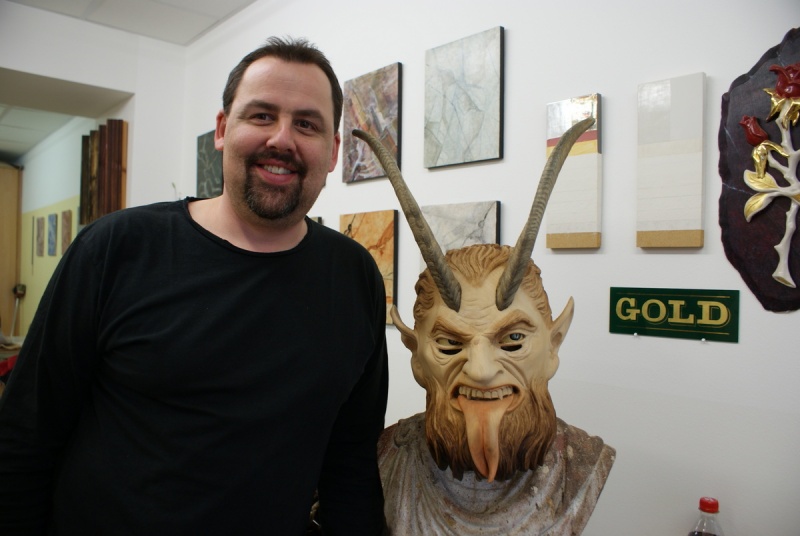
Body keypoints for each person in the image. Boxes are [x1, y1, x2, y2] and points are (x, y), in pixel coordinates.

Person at [0, 37, 388, 535]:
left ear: (332, 152)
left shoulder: (355, 276)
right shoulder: (116, 249)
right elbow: (24, 439)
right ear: (223, 130)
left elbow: (352, 462)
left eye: (306, 124)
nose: (282, 139)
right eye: (262, 115)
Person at [354, 124, 614, 535]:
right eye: (448, 344)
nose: (480, 370)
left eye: (513, 341)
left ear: (554, 343)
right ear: (415, 355)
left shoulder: (584, 464)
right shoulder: (383, 458)